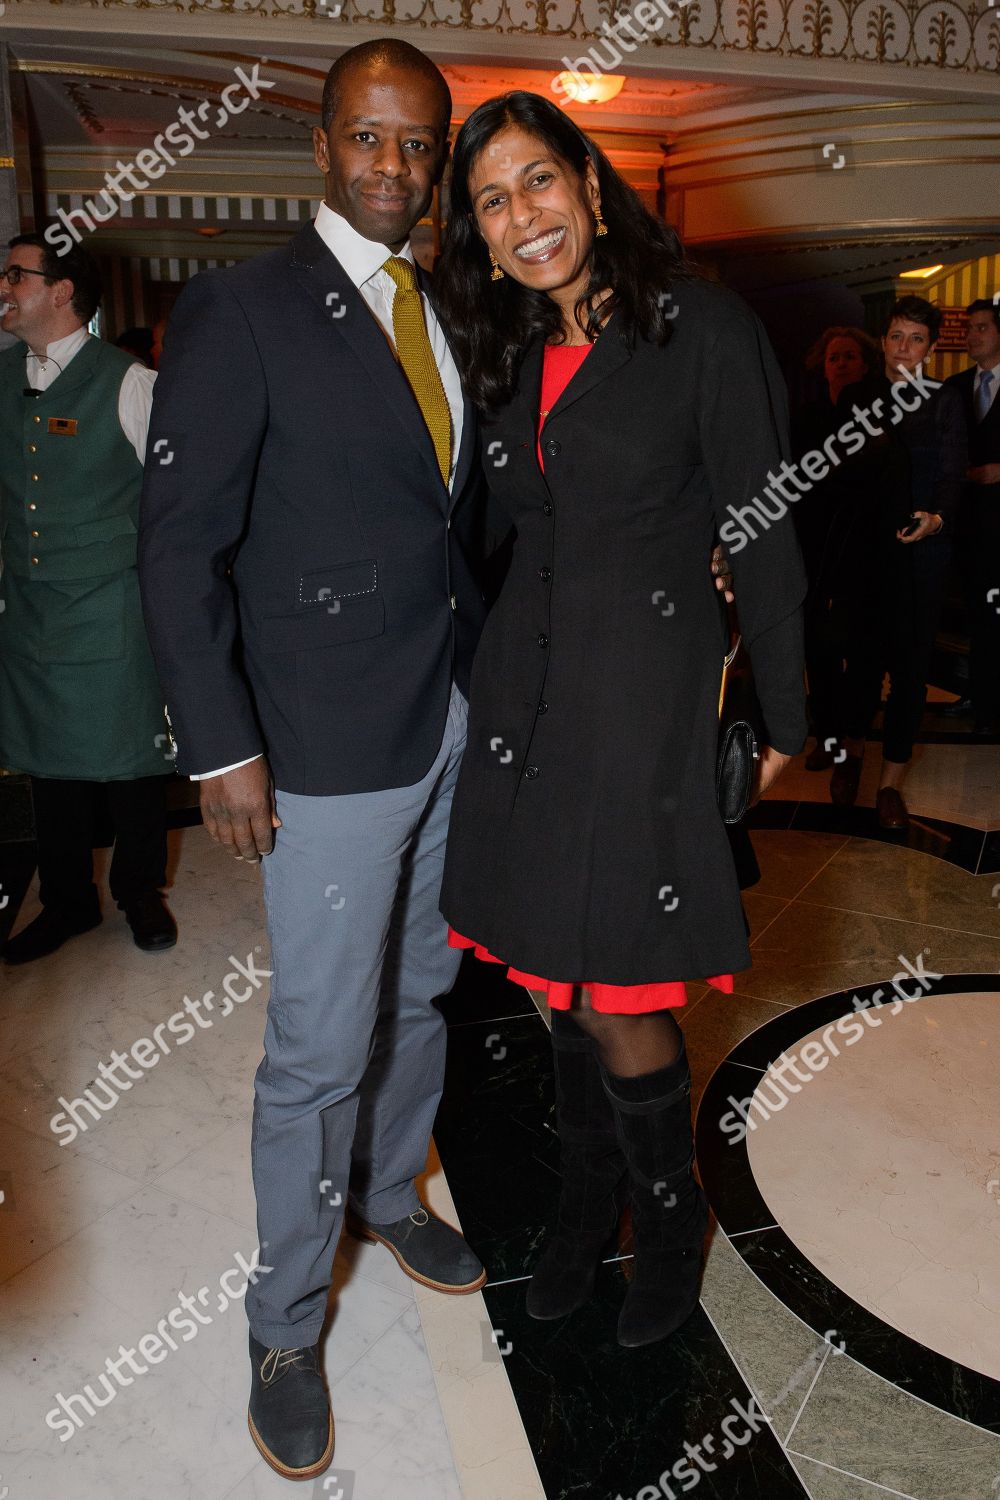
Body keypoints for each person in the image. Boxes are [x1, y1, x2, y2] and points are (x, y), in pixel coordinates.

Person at [138, 41, 492, 1484]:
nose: (394, 169)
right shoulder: (241, 310)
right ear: (321, 147)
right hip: (323, 748)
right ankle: (286, 1320)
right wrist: (221, 749)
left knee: (424, 990)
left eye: (419, 147)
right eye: (370, 140)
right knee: (316, 1047)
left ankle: (389, 1196)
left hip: (448, 715)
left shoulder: (451, 302)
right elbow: (177, 551)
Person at [433, 91, 807, 1350]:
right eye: (493, 201)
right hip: (524, 699)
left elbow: (759, 527)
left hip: (640, 698)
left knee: (622, 989)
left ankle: (665, 1210)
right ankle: (585, 1197)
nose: (523, 216)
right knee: (553, 977)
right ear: (479, 237)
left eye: (539, 181)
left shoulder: (698, 327)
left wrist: (785, 715)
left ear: (591, 186)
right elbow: (494, 533)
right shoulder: (501, 354)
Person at [0, 234, 177, 963]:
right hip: (32, 612)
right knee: (50, 768)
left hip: (113, 607)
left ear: (63, 291)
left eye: (16, 274)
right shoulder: (1, 378)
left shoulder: (130, 383)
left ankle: (141, 893)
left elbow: (176, 504)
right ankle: (68, 903)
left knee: (132, 763)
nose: (4, 287)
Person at [818, 295, 967, 827]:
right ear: (883, 340)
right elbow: (834, 477)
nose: (906, 348)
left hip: (924, 554)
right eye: (898, 336)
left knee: (910, 671)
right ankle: (851, 755)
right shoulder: (858, 396)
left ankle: (891, 784)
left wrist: (937, 519)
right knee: (859, 665)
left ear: (930, 347)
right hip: (867, 553)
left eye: (918, 339)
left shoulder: (945, 401)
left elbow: (953, 475)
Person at [792, 326, 881, 770]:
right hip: (816, 548)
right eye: (834, 358)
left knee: (864, 646)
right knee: (820, 650)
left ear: (865, 364)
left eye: (849, 356)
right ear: (821, 367)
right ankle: (826, 738)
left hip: (866, 548)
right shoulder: (806, 418)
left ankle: (856, 733)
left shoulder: (880, 414)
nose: (842, 363)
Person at [946, 298, 1000, 735]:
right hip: (965, 525)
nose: (972, 336)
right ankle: (977, 696)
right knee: (974, 614)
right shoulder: (955, 387)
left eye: (981, 327)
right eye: (970, 328)